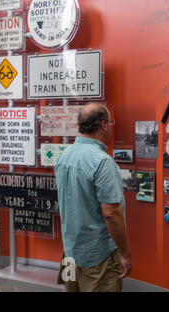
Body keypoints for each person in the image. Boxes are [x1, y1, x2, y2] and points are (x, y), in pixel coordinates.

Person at [55, 103, 132, 292]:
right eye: (111, 123)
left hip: (70, 255)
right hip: (98, 259)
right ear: (104, 125)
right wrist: (126, 254)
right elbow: (111, 214)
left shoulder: (64, 156)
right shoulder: (102, 162)